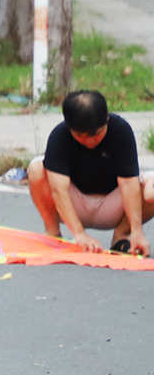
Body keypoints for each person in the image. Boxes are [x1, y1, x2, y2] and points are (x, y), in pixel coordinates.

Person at [26, 89, 149, 255]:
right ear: (69, 126)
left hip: (114, 206)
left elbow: (128, 183)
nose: (90, 141)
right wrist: (79, 234)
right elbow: (58, 190)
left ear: (106, 118)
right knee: (36, 169)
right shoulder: (59, 136)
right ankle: (53, 233)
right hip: (73, 205)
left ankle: (122, 236)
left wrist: (137, 231)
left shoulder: (120, 130)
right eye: (80, 135)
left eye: (96, 134)